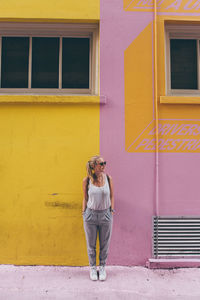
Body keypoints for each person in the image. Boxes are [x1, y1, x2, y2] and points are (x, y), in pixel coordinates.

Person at [82, 155, 114, 281]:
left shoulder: (108, 178)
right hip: (90, 215)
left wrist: (111, 211)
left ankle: (102, 267)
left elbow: (112, 196)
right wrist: (83, 213)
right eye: (101, 163)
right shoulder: (87, 180)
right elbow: (85, 197)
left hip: (105, 214)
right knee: (91, 245)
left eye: (104, 163)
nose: (104, 165)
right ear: (94, 166)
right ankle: (92, 268)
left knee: (104, 244)